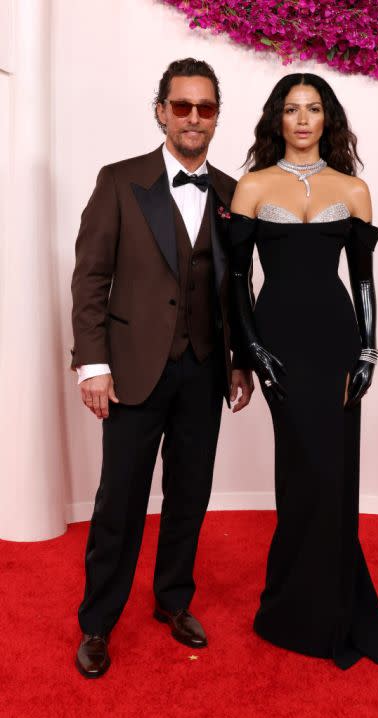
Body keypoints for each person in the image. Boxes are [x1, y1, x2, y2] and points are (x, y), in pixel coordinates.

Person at [228, 73, 378, 671]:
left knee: (332, 477)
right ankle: (290, 609)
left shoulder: (353, 190)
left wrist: (369, 351)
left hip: (336, 344)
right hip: (278, 343)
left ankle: (330, 608)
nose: (302, 119)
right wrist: (252, 350)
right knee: (301, 473)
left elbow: (361, 282)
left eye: (313, 109)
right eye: (291, 109)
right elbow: (233, 282)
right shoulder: (252, 187)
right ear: (276, 119)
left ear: (327, 118)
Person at [71, 58, 253, 678]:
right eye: (182, 106)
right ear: (161, 112)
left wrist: (238, 362)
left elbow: (237, 291)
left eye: (205, 108)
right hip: (130, 369)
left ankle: (174, 602)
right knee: (118, 499)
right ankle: (97, 622)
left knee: (190, 494)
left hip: (204, 370)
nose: (194, 118)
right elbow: (92, 276)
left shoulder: (233, 192)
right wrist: (91, 364)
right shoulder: (120, 181)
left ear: (216, 116)